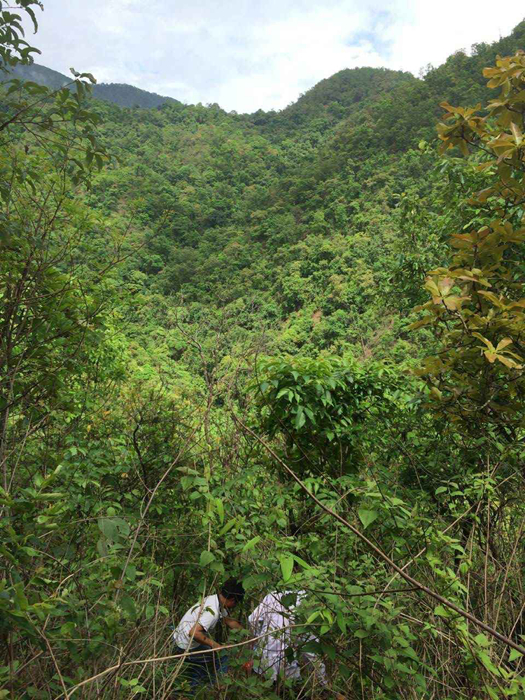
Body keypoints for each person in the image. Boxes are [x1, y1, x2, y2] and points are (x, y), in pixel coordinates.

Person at [247, 590, 346, 699]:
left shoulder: (272, 595)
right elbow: (311, 653)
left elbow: (252, 619)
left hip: (262, 666)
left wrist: (259, 641)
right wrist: (325, 685)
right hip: (287, 674)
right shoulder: (308, 604)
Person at [172, 578, 245, 694]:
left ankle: (190, 690)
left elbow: (229, 621)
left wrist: (246, 634)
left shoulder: (215, 600)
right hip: (185, 646)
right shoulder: (213, 612)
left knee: (199, 668)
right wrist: (216, 646)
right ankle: (216, 688)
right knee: (223, 656)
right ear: (232, 600)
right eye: (235, 603)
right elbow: (194, 633)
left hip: (179, 638)